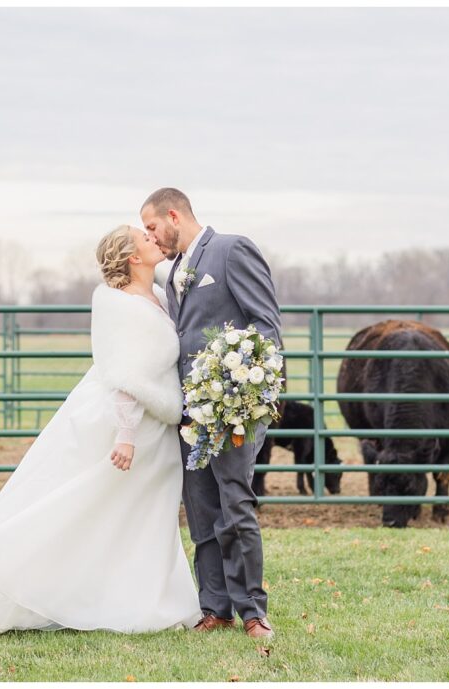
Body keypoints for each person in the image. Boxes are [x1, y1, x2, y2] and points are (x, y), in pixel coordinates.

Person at [0, 225, 202, 635]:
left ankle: (143, 600)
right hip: (128, 425)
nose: (152, 238)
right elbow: (124, 372)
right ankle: (12, 577)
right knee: (85, 509)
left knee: (139, 518)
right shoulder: (121, 307)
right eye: (144, 238)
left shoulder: (159, 296)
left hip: (157, 426)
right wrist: (125, 435)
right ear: (133, 257)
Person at [141, 187, 283, 640]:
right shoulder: (175, 272)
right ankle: (214, 607)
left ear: (173, 215)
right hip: (190, 414)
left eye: (151, 227)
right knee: (201, 511)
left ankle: (253, 612)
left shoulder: (231, 250)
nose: (151, 237)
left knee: (235, 505)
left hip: (233, 409)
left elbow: (266, 327)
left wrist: (239, 393)